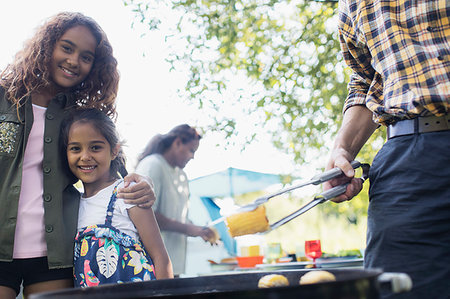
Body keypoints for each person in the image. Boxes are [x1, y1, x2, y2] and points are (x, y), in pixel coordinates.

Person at [0, 12, 155, 298]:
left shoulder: (79, 116)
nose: (74, 61)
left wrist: (142, 182)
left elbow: (114, 169)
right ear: (47, 47)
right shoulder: (4, 97)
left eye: (86, 56)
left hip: (55, 253)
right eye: (67, 48)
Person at [324, 1, 449, 298]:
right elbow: (366, 80)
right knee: (399, 289)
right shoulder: (351, 5)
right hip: (409, 161)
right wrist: (342, 150)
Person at [60, 108, 173, 286]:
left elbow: (160, 257)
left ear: (114, 151)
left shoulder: (127, 193)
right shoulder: (71, 203)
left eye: (95, 147)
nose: (85, 156)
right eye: (75, 149)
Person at [135, 124, 218, 276]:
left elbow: (180, 217)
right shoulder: (153, 164)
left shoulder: (182, 176)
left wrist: (200, 231)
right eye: (191, 150)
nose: (193, 156)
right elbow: (146, 216)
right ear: (178, 142)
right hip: (152, 264)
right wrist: (190, 230)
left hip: (174, 266)